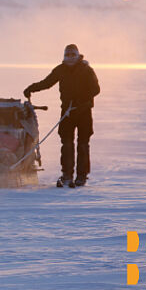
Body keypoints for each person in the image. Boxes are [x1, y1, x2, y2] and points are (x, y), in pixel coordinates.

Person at [23, 44, 100, 188]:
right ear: (64, 56)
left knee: (83, 144)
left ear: (78, 56)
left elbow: (96, 89)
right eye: (67, 55)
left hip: (83, 112)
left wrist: (81, 100)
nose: (70, 58)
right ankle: (67, 175)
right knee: (66, 144)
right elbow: (47, 83)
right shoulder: (61, 69)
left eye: (73, 55)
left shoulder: (87, 70)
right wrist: (31, 88)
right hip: (67, 112)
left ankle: (81, 176)